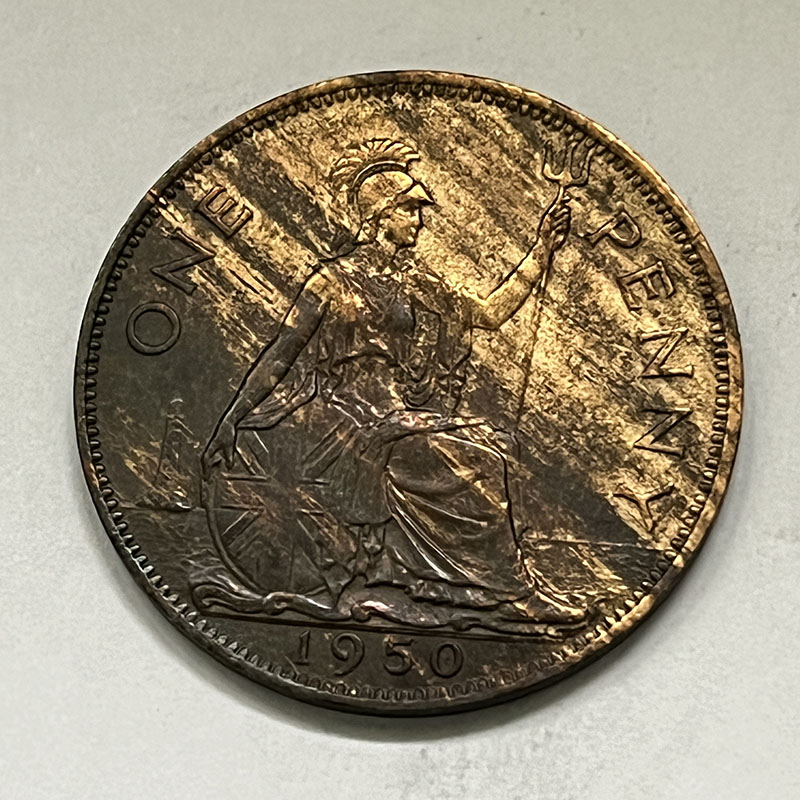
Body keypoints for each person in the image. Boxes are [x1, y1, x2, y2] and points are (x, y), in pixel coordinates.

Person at [200, 138, 584, 631]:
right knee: (479, 461)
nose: (419, 221)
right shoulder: (331, 280)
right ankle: (508, 593)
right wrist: (231, 419)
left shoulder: (412, 281)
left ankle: (460, 583)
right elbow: (281, 352)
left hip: (395, 409)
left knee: (499, 446)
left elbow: (488, 313)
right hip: (345, 415)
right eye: (410, 210)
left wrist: (542, 248)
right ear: (380, 216)